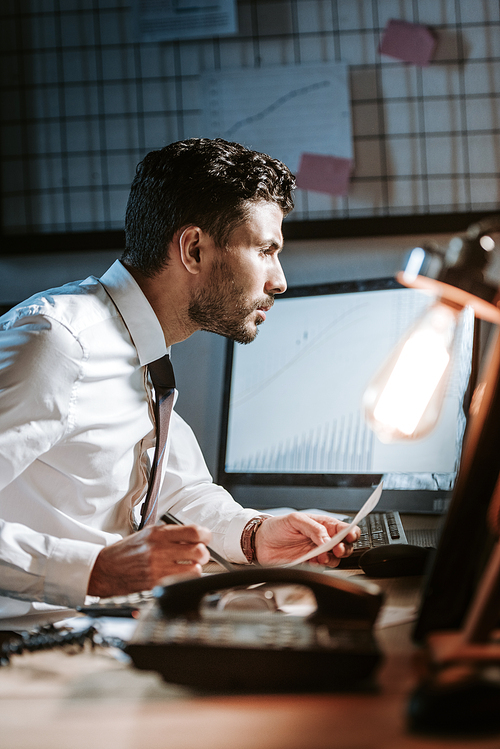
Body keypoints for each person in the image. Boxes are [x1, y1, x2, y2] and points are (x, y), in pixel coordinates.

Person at [0, 138, 359, 629]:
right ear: (193, 249)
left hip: (101, 630)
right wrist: (93, 570)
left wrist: (255, 534)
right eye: (265, 250)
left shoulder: (141, 344)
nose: (279, 280)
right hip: (25, 649)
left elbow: (177, 493)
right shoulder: (58, 343)